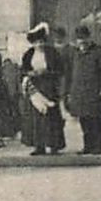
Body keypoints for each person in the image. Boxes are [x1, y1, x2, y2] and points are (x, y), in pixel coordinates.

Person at [62, 25, 101, 155]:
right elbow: (69, 74)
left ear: (89, 38)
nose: (82, 42)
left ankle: (99, 146)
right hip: (79, 93)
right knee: (84, 121)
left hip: (95, 92)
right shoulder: (74, 54)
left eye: (84, 39)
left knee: (96, 120)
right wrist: (67, 92)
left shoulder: (100, 51)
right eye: (79, 39)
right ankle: (88, 146)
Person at [20, 23, 66, 156]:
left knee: (51, 118)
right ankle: (39, 146)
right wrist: (30, 74)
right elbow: (23, 70)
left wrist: (47, 72)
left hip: (49, 88)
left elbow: (60, 70)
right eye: (36, 42)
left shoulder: (52, 53)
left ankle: (54, 146)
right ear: (32, 43)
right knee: (36, 120)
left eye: (41, 41)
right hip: (35, 89)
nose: (39, 45)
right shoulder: (28, 54)